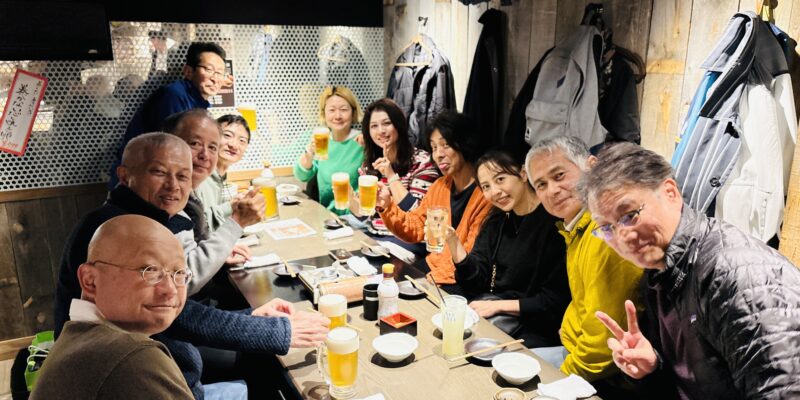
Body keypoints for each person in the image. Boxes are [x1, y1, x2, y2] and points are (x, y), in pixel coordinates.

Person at [56, 133, 329, 398]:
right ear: (125, 176)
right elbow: (176, 313)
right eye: (159, 172)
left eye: (183, 176)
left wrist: (252, 316)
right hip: (143, 375)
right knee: (270, 365)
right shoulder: (116, 228)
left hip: (170, 364)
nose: (173, 185)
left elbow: (172, 307)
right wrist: (273, 331)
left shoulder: (154, 218)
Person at [581, 143, 800, 399]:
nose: (623, 236)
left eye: (629, 215)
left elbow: (785, 389)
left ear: (670, 192)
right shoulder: (660, 271)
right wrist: (652, 366)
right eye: (606, 228)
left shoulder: (736, 273)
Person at [525, 136, 643, 396]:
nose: (552, 190)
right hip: (575, 349)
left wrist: (559, 378)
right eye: (541, 184)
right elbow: (584, 302)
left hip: (609, 373)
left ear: (591, 166)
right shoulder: (576, 226)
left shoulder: (606, 232)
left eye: (559, 175)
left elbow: (603, 344)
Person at [32, 215, 194, 399]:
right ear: (90, 281)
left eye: (179, 273)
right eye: (150, 270)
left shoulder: (76, 336)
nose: (170, 290)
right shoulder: (133, 356)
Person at [444, 149, 570, 349]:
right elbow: (475, 281)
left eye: (500, 179)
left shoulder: (555, 223)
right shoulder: (497, 219)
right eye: (486, 186)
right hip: (495, 312)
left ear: (523, 174)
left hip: (537, 326)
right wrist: (454, 244)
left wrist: (498, 306)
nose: (495, 192)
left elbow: (554, 301)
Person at [377, 111, 492, 287]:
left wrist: (428, 281)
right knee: (383, 285)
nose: (438, 154)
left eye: (445, 145)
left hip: (458, 278)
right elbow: (415, 227)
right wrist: (386, 207)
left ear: (464, 144)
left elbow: (469, 256)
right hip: (433, 268)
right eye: (434, 147)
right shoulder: (440, 186)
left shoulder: (485, 194)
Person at [108, 42, 229, 189]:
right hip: (138, 180)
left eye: (220, 73)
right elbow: (174, 147)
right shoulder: (173, 96)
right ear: (188, 71)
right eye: (209, 70)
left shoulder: (197, 101)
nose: (215, 78)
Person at [353, 98, 439, 217]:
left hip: (406, 229)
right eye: (374, 126)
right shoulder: (369, 165)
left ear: (399, 125)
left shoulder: (423, 162)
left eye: (387, 123)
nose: (381, 131)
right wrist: (350, 198)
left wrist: (391, 176)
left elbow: (417, 214)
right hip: (372, 228)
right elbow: (366, 216)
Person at [293, 86, 364, 212]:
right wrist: (309, 154)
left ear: (353, 113)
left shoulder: (362, 141)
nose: (337, 116)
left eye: (343, 110)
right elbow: (302, 176)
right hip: (327, 216)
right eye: (331, 110)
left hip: (356, 216)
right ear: (324, 114)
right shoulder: (322, 141)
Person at [195, 114, 252, 232]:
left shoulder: (219, 176)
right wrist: (230, 206)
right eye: (227, 135)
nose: (234, 145)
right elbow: (199, 228)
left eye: (242, 141)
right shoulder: (200, 177)